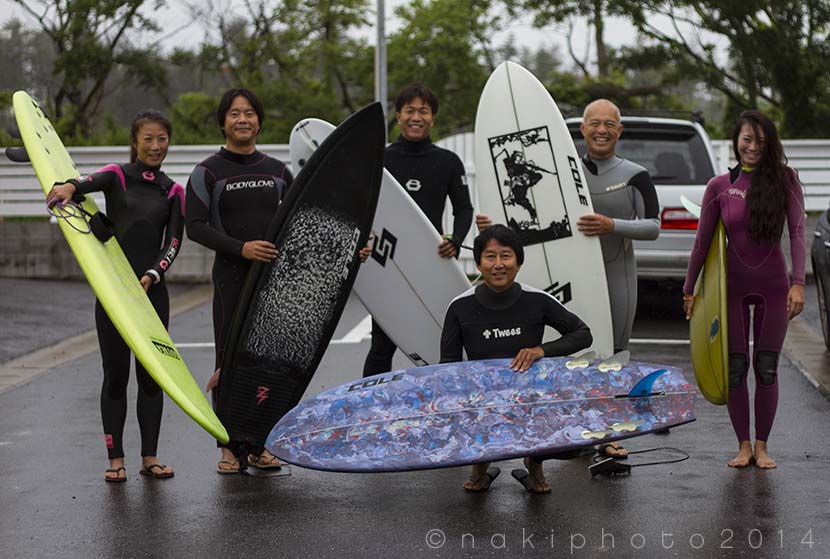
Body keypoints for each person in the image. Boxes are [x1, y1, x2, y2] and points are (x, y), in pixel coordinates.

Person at [475, 99, 660, 457]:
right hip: (571, 274)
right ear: (582, 128)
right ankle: (573, 428)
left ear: (619, 130)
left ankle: (607, 432)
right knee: (572, 354)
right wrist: (493, 221)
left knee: (613, 353)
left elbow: (653, 227)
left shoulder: (635, 175)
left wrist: (612, 225)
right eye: (594, 123)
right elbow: (530, 210)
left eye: (610, 124)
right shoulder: (564, 166)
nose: (601, 130)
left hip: (616, 275)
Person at [46, 110, 183, 482]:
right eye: (148, 139)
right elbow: (81, 183)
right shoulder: (118, 176)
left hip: (152, 292)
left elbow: (173, 242)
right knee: (115, 375)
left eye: (162, 139)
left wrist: (154, 273)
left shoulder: (172, 190)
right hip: (114, 293)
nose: (156, 146)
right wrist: (68, 189)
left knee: (153, 377)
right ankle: (115, 459)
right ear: (135, 141)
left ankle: (150, 457)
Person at [683, 110, 805, 469]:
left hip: (772, 286)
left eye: (761, 141)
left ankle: (763, 446)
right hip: (730, 290)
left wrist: (798, 283)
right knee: (735, 367)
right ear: (736, 141)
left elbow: (797, 234)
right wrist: (690, 288)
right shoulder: (719, 186)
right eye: (747, 139)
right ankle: (743, 446)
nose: (753, 147)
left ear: (771, 144)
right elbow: (701, 243)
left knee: (766, 366)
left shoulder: (786, 180)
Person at [185, 88, 292, 474]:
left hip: (272, 282)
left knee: (270, 362)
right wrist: (241, 248)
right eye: (234, 113)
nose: (242, 119)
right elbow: (194, 226)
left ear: (259, 120)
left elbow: (297, 221)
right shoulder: (208, 171)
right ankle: (229, 446)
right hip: (232, 278)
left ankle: (261, 443)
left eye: (249, 112)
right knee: (229, 362)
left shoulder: (280, 171)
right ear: (223, 121)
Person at [441, 225, 592, 493]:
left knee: (578, 445)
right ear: (478, 263)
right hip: (482, 400)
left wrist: (541, 350)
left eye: (506, 256)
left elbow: (582, 334)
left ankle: (534, 461)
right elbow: (448, 366)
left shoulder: (537, 300)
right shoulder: (459, 307)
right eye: (490, 257)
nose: (498, 264)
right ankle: (480, 463)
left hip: (530, 398)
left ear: (519, 263)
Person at [363, 83, 473, 377]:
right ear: (398, 116)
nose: (416, 117)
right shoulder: (380, 160)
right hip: (389, 262)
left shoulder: (447, 161)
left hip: (431, 262)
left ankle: (441, 400)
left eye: (423, 111)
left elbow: (464, 209)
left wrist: (456, 240)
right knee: (382, 344)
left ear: (432, 118)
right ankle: (370, 408)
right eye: (409, 110)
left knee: (440, 339)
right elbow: (361, 208)